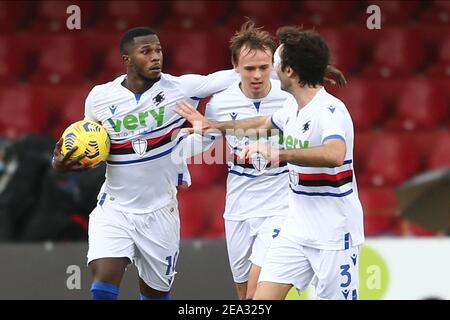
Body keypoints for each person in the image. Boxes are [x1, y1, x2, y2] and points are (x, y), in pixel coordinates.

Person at [175, 26, 364, 300]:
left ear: (288, 70)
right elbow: (261, 124)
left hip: (334, 234)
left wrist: (280, 154)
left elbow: (335, 153)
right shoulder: (290, 108)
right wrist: (212, 125)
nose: (267, 72)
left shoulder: (331, 110)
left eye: (273, 64)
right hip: (296, 229)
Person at [52, 27, 240, 300]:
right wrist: (62, 163)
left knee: (155, 294)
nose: (156, 57)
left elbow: (231, 77)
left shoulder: (181, 88)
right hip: (115, 208)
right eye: (146, 51)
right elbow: (88, 144)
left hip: (160, 213)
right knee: (103, 283)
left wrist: (280, 68)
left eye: (159, 50)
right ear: (126, 59)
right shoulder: (100, 97)